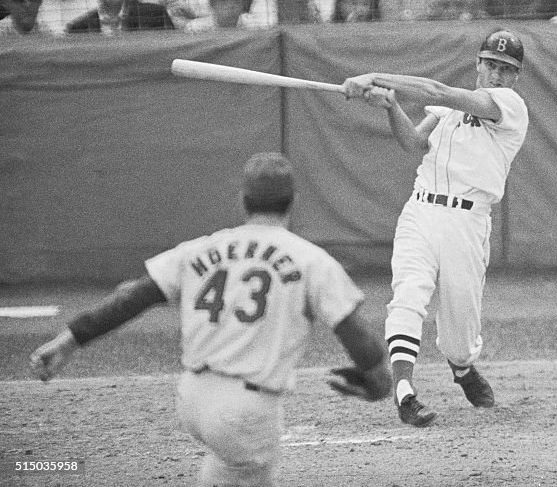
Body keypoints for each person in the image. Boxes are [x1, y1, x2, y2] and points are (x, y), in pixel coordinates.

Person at [28, 152, 391, 486]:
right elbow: (352, 331)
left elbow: (132, 298)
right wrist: (378, 382)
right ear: (293, 201)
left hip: (192, 397)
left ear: (243, 200)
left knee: (228, 470)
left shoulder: (200, 248)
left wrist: (67, 341)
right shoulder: (311, 260)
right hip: (246, 412)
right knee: (244, 467)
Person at [339, 29, 529, 427]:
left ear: (515, 77)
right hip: (421, 211)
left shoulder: (508, 106)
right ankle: (405, 393)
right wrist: (390, 105)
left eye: (505, 69)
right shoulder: (446, 114)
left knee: (459, 335)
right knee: (408, 296)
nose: (495, 75)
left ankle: (461, 367)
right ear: (478, 64)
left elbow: (436, 89)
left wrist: (375, 77)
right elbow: (413, 145)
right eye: (490, 65)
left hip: (467, 221)